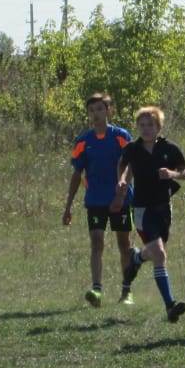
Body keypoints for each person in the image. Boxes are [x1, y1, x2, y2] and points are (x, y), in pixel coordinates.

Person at [112, 106, 185, 322]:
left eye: (150, 125)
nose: (146, 129)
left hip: (164, 208)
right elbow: (125, 166)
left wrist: (172, 173)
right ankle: (170, 306)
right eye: (142, 125)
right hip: (142, 209)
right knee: (160, 254)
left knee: (154, 252)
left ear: (159, 127)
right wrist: (122, 182)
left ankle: (136, 258)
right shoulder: (132, 149)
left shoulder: (169, 148)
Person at [62, 93, 135, 307]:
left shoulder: (121, 136)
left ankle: (127, 291)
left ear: (109, 111)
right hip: (95, 200)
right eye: (92, 110)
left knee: (124, 245)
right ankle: (97, 289)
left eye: (100, 109)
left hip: (120, 200)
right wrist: (68, 207)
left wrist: (121, 193)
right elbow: (77, 173)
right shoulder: (83, 141)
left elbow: (131, 165)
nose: (96, 114)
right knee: (96, 242)